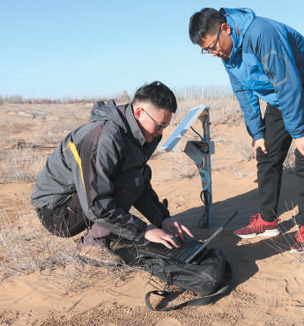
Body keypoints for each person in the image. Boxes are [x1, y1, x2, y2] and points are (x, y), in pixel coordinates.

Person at [189, 8, 304, 252]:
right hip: (280, 97)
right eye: (207, 51)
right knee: (266, 152)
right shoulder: (228, 53)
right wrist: (257, 133)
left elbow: (287, 81)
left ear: (225, 29)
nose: (214, 53)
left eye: (213, 46)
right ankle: (268, 220)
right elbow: (244, 92)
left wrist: (298, 132)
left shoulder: (262, 33)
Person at [31, 81, 193, 264]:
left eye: (165, 126)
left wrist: (163, 219)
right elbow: (96, 203)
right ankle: (93, 244)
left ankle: (108, 230)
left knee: (139, 174)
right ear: (139, 113)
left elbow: (140, 184)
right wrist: (143, 230)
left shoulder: (136, 133)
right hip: (57, 212)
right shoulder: (103, 138)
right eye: (159, 125)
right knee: (131, 179)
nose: (160, 132)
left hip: (81, 199)